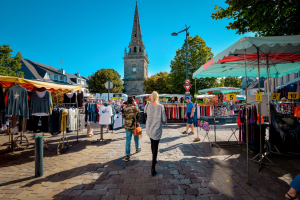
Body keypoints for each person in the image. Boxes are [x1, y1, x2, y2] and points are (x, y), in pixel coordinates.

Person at [144, 91, 167, 176]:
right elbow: (164, 119)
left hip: (149, 128)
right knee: (155, 146)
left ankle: (154, 158)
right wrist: (165, 122)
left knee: (152, 143)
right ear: (157, 97)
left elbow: (144, 113)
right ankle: (153, 167)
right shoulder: (161, 107)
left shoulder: (147, 105)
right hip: (157, 129)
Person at [123, 97, 141, 162]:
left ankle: (127, 154)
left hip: (127, 126)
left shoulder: (125, 108)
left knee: (128, 140)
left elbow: (124, 116)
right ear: (133, 102)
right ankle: (137, 148)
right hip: (134, 126)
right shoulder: (135, 108)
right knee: (136, 138)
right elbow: (139, 116)